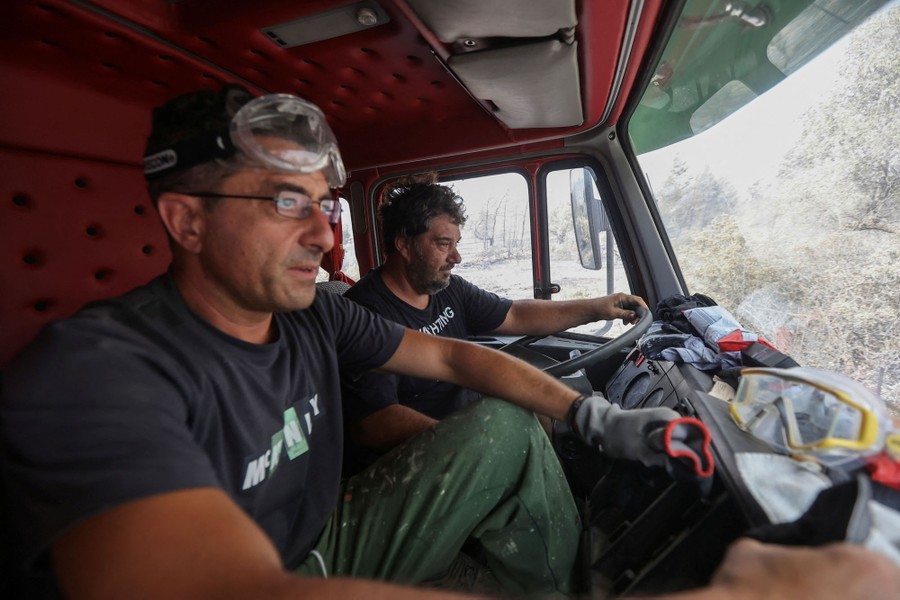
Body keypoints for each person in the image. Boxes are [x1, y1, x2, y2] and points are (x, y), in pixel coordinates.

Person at [1, 85, 898, 600]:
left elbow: (463, 353)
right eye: (285, 203)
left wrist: (591, 418)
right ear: (185, 221)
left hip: (328, 537)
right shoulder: (94, 374)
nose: (322, 236)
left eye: (324, 205)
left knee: (509, 424)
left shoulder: (312, 312)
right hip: (279, 575)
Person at [341, 177, 648, 459]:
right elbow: (373, 422)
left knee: (536, 406)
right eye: (443, 243)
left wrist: (596, 307)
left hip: (472, 415)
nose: (456, 257)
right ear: (404, 245)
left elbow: (514, 313)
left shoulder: (447, 289)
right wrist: (470, 443)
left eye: (456, 244)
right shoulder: (365, 315)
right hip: (427, 452)